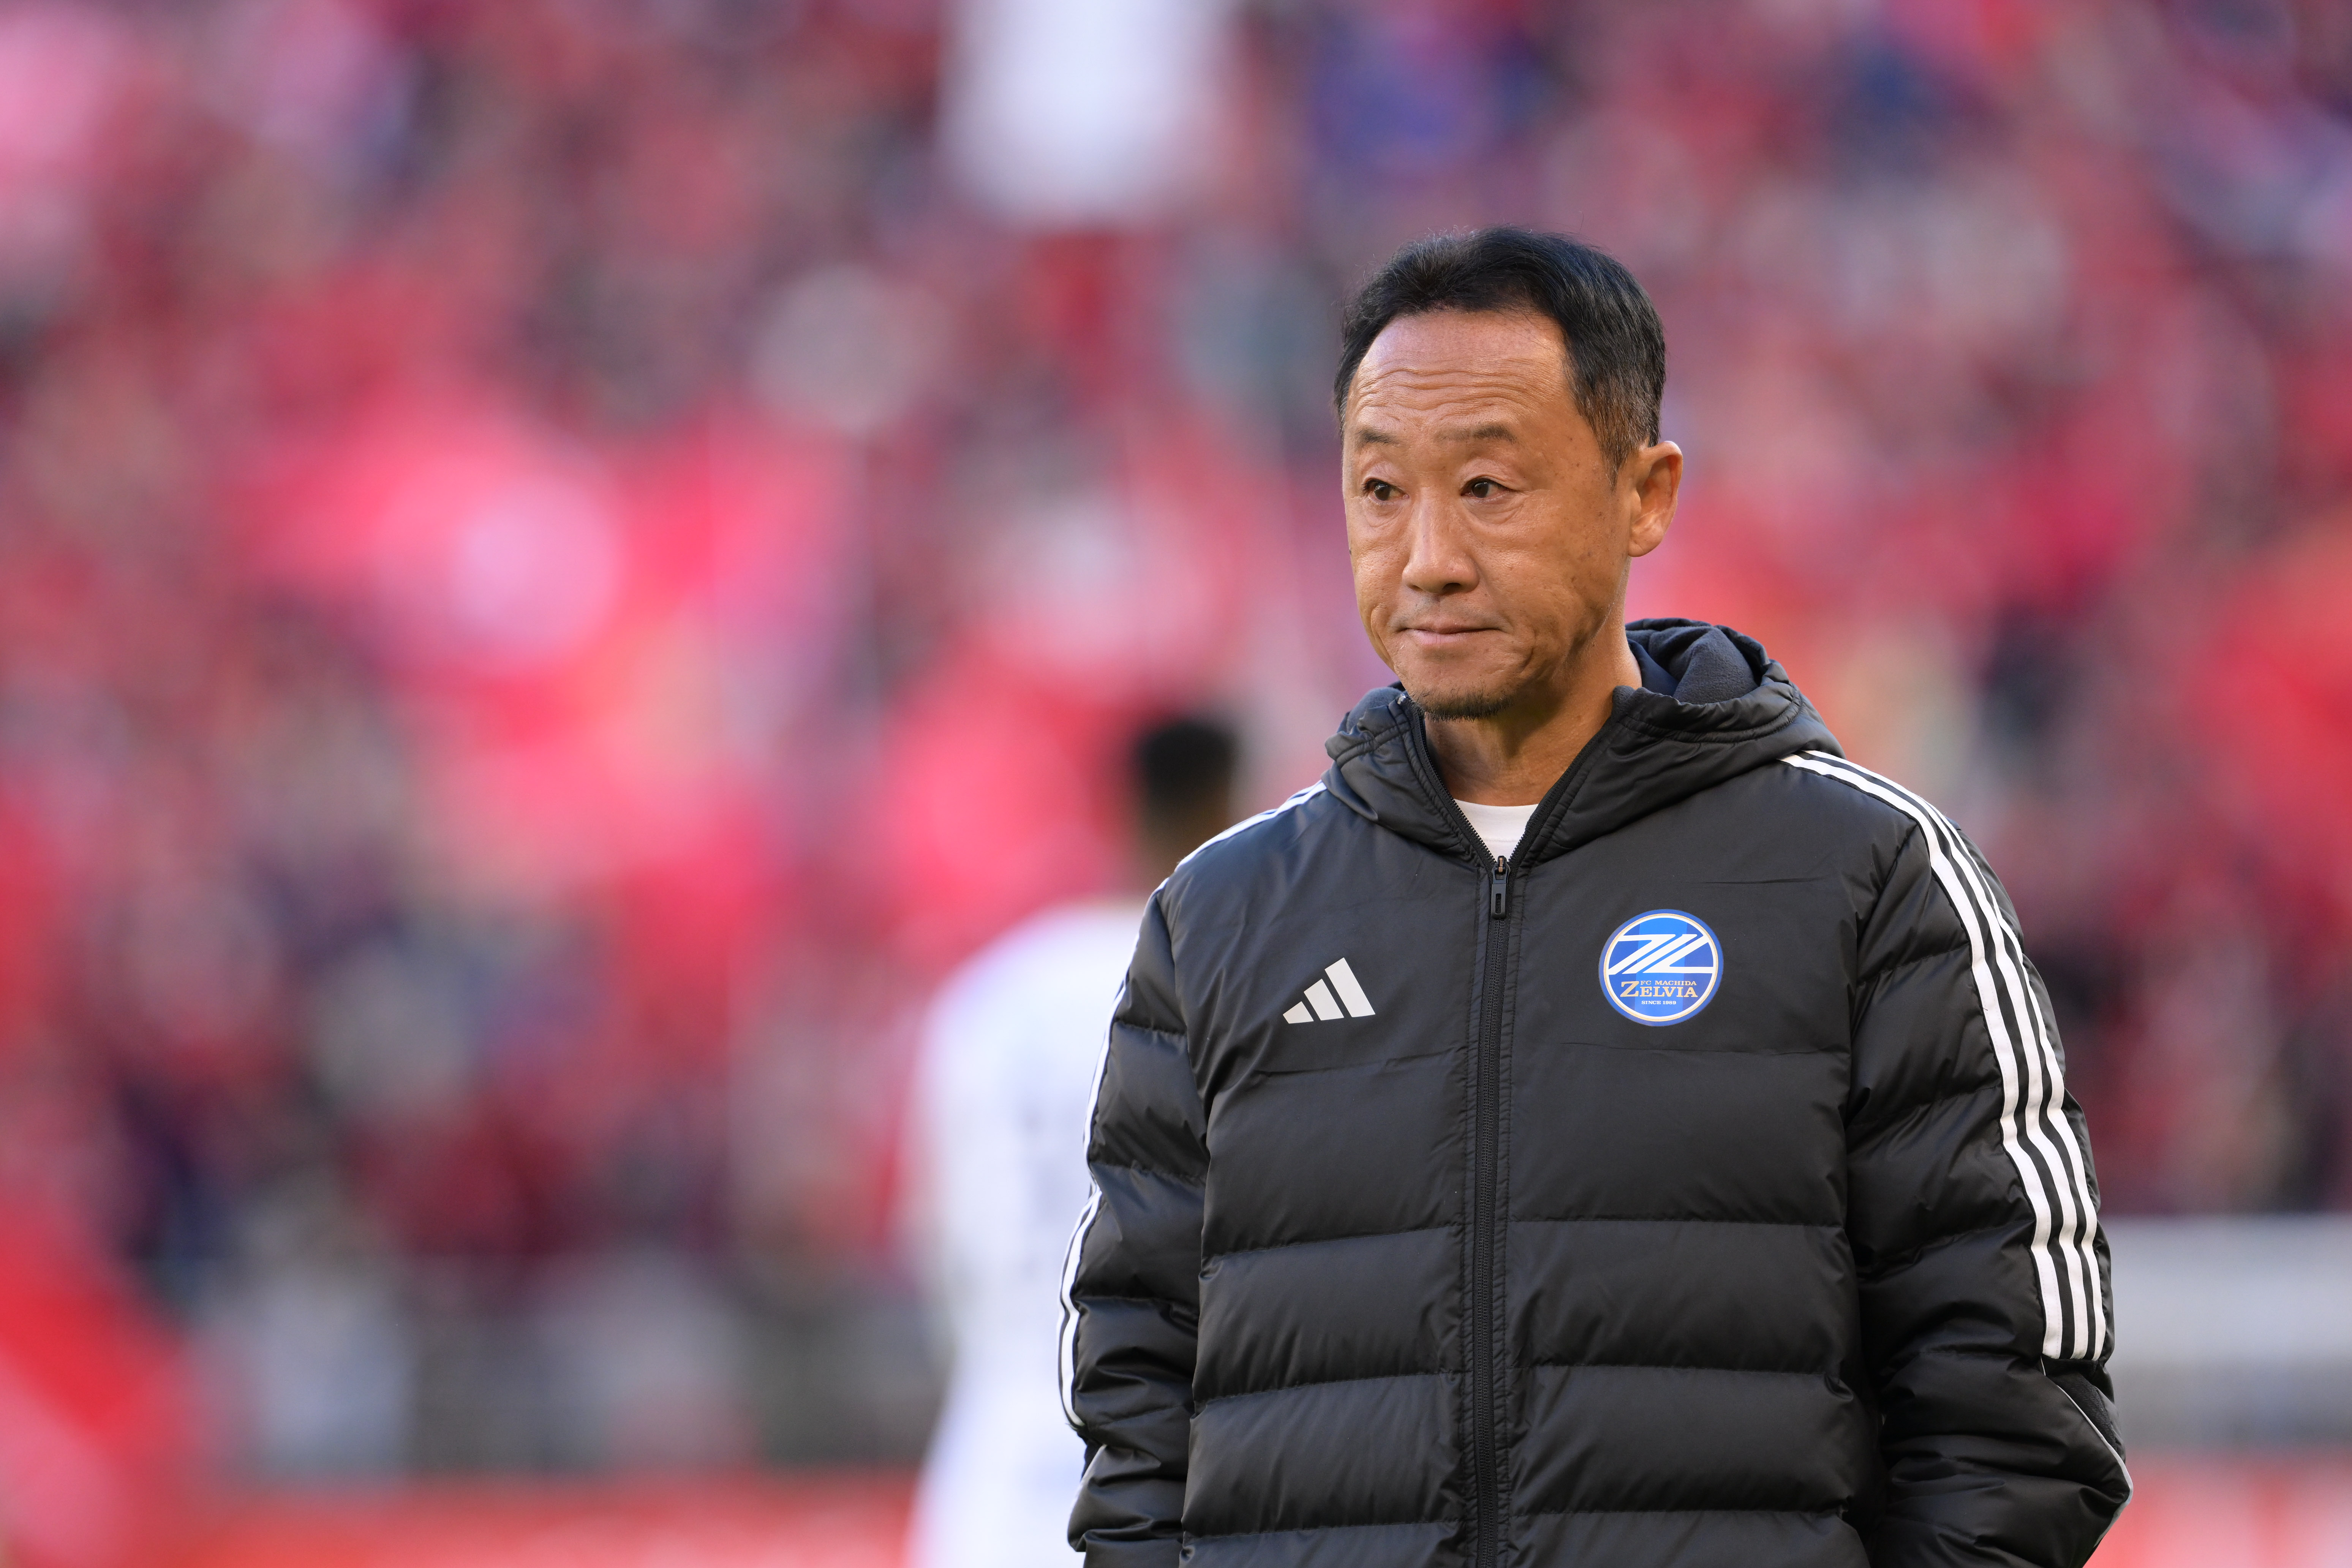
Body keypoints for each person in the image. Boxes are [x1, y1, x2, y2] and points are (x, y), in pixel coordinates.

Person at [1060, 230, 2129, 1567]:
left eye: (1488, 486)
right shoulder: (1222, 919)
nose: (1428, 555)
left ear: (1645, 494)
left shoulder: (1869, 879)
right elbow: (1131, 1405)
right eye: (1380, 489)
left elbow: (2018, 1406)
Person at [907, 716, 1239, 1568]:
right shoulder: (1240, 989)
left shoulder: (994, 994)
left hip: (994, 1476)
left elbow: (941, 1258)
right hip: (1178, 1480)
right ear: (1225, 805)